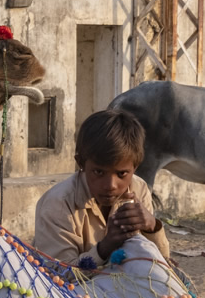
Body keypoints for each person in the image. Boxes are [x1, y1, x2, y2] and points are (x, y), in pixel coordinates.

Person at [33, 109, 170, 267]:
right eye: (99, 172)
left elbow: (159, 264)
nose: (110, 185)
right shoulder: (58, 204)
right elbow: (60, 274)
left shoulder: (138, 189)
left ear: (135, 167)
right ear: (81, 163)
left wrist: (152, 227)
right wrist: (105, 247)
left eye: (122, 174)